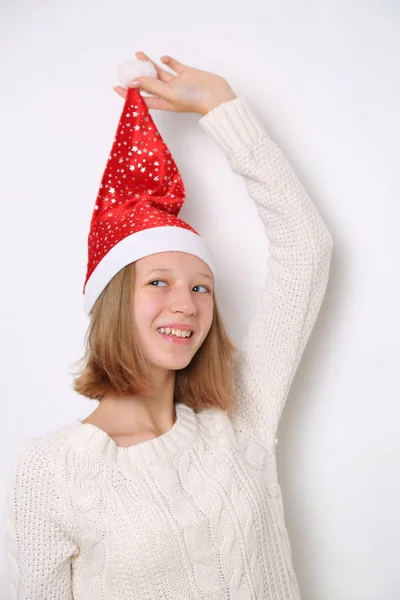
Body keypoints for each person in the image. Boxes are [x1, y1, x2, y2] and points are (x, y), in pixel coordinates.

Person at [3, 50, 333, 599]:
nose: (186, 303)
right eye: (158, 282)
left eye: (201, 286)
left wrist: (221, 107)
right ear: (111, 303)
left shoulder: (237, 419)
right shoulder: (51, 469)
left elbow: (308, 247)